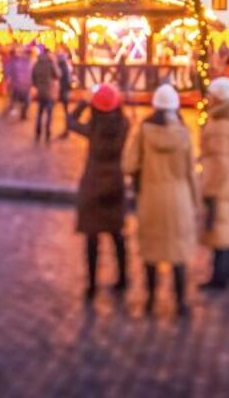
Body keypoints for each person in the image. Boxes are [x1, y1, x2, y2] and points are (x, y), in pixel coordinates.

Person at [122, 83, 198, 317]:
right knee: (178, 254)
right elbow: (191, 172)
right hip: (179, 199)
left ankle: (151, 300)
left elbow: (128, 164)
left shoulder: (144, 131)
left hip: (151, 198)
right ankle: (181, 302)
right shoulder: (184, 134)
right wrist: (195, 202)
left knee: (151, 253)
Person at [65, 83, 130, 301]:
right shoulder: (123, 125)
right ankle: (123, 278)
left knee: (92, 237)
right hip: (115, 182)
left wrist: (83, 102)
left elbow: (70, 122)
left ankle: (92, 284)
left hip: (93, 183)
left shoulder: (93, 128)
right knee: (117, 233)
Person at [198, 77, 229, 290]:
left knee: (220, 228)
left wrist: (210, 187)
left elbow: (219, 160)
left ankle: (220, 276)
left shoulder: (219, 126)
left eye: (211, 95)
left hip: (220, 181)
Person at [31, 47, 60, 144]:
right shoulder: (50, 63)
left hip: (40, 91)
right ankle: (47, 132)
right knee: (49, 113)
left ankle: (38, 131)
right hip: (49, 91)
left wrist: (36, 85)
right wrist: (54, 63)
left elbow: (33, 75)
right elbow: (57, 75)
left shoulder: (37, 63)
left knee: (40, 112)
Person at [4, 46, 32, 120]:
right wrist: (7, 79)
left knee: (27, 101)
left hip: (26, 85)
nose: (21, 53)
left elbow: (31, 72)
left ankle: (23, 113)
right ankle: (10, 110)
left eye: (22, 51)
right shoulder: (12, 61)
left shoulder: (28, 61)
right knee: (13, 100)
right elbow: (8, 71)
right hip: (16, 84)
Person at [55, 46, 73, 134]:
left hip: (62, 89)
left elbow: (62, 77)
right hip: (64, 88)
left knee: (65, 110)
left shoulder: (62, 65)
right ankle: (67, 128)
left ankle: (67, 128)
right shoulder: (66, 64)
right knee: (65, 109)